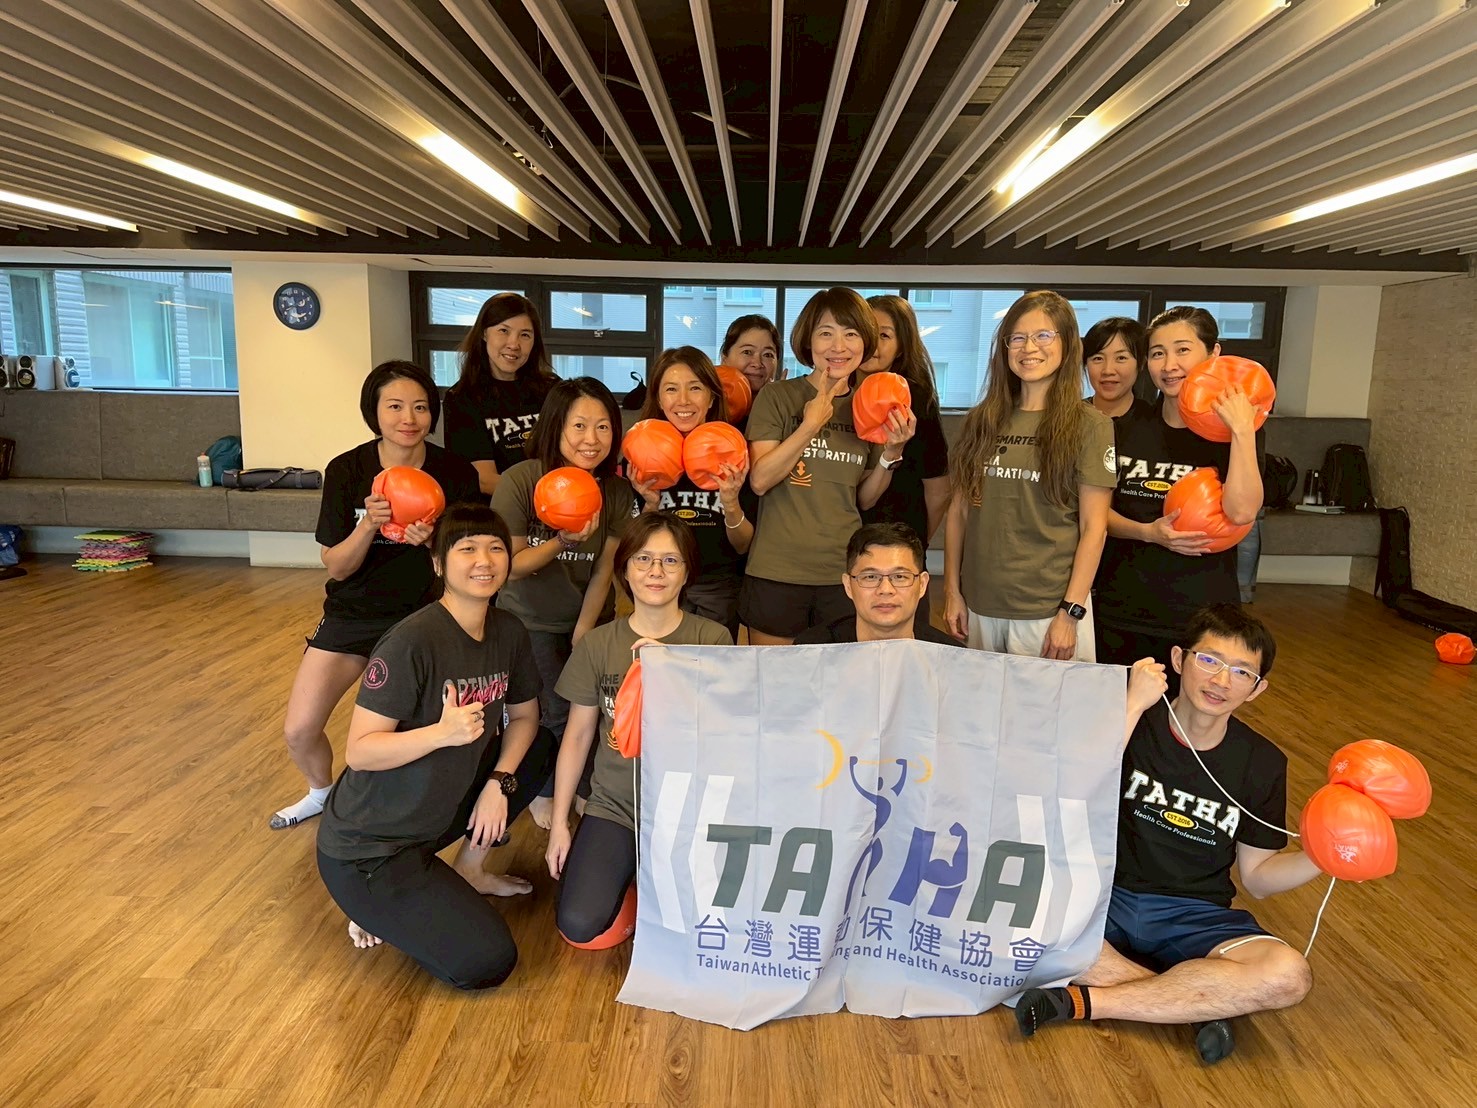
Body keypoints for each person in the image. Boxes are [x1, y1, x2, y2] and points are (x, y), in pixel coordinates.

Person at [1014, 605, 1318, 1064]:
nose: (1221, 681)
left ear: (1257, 689)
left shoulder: (1263, 762)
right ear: (1178, 659)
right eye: (1209, 660)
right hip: (1103, 896)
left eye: (1241, 672)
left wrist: (1323, 857)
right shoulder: (1132, 717)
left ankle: (1085, 1002)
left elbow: (1257, 877)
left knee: (1289, 975)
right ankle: (1190, 1007)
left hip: (1194, 915)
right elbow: (1072, 790)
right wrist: (1133, 704)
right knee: (1021, 916)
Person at [315, 503, 555, 989]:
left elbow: (526, 717)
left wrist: (498, 784)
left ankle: (470, 871)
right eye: (467, 549)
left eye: (495, 548)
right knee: (487, 962)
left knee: (538, 748)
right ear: (439, 564)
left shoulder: (507, 630)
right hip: (372, 845)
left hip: (436, 812)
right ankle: (372, 904)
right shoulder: (411, 641)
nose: (484, 560)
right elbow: (360, 751)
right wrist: (441, 734)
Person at [271, 361, 479, 830]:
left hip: (426, 615)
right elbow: (337, 565)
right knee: (299, 729)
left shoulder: (455, 472)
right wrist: (369, 524)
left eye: (420, 407)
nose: (409, 418)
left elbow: (470, 560)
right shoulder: (348, 470)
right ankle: (322, 794)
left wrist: (432, 541)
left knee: (427, 730)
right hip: (354, 613)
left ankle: (431, 810)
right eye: (395, 406)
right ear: (375, 412)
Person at [546, 513, 732, 943]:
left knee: (701, 925)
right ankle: (628, 868)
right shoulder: (598, 644)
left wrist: (676, 671)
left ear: (686, 572)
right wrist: (559, 823)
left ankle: (644, 870)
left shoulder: (713, 639)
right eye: (643, 559)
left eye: (670, 560)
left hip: (690, 806)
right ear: (625, 570)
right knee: (579, 922)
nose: (655, 571)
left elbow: (726, 732)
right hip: (617, 806)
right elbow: (577, 737)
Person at [1093, 306, 1263, 693]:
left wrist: (1241, 430)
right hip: (1122, 609)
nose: (1169, 365)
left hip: (1202, 620)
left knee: (1185, 720)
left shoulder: (1237, 431)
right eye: (1158, 353)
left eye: (1183, 350)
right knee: (1117, 717)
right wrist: (1148, 532)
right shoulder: (1126, 426)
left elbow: (1241, 511)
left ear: (1213, 353)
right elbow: (1095, 512)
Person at [492, 377, 636, 827]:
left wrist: (584, 631)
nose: (591, 439)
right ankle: (547, 789)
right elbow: (510, 565)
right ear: (555, 426)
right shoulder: (522, 480)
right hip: (528, 620)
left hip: (589, 618)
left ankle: (585, 790)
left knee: (595, 708)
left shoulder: (615, 491)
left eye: (602, 427)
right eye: (578, 425)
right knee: (551, 710)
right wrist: (562, 541)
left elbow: (605, 568)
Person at [942, 290, 1117, 661]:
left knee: (1047, 701)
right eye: (1017, 338)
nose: (1029, 348)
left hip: (1047, 612)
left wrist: (1070, 613)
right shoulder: (981, 420)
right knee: (983, 699)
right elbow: (958, 513)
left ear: (1068, 344)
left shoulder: (1090, 426)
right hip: (981, 605)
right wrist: (953, 591)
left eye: (1043, 335)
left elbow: (1094, 528)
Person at [741, 287, 916, 646]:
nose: (839, 346)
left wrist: (891, 452)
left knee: (840, 677)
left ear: (865, 342)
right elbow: (760, 480)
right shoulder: (778, 397)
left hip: (843, 574)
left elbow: (864, 498)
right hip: (777, 570)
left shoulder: (869, 403)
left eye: (851, 334)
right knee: (775, 677)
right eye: (826, 333)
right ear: (808, 340)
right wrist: (809, 426)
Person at [631, 346, 755, 639]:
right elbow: (634, 547)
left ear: (711, 397)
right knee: (661, 664)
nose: (683, 400)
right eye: (671, 389)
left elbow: (743, 546)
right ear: (659, 398)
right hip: (661, 582)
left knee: (714, 666)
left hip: (719, 587)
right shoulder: (641, 452)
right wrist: (650, 505)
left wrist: (731, 503)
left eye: (695, 388)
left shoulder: (733, 449)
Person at [443, 293, 558, 496]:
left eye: (525, 335)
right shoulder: (462, 398)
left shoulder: (552, 389)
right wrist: (546, 496)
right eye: (504, 331)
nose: (514, 344)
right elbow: (484, 480)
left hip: (559, 505)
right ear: (484, 334)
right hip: (500, 509)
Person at [859, 295, 951, 544]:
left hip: (897, 536)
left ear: (901, 346)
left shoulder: (915, 397)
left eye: (884, 335)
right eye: (865, 332)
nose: (872, 343)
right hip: (840, 539)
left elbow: (939, 490)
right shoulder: (837, 395)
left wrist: (917, 545)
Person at [794, 522, 961, 646]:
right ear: (848, 585)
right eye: (871, 577)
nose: (885, 590)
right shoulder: (811, 653)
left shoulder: (949, 658)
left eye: (900, 577)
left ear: (922, 584)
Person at [1084, 316, 1153, 422]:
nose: (1108, 371)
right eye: (1098, 358)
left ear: (1141, 363)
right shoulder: (1066, 419)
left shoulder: (1154, 423)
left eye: (1121, 358)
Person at [719, 313, 783, 398]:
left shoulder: (787, 402)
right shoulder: (705, 402)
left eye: (767, 355)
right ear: (724, 359)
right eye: (747, 352)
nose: (757, 364)